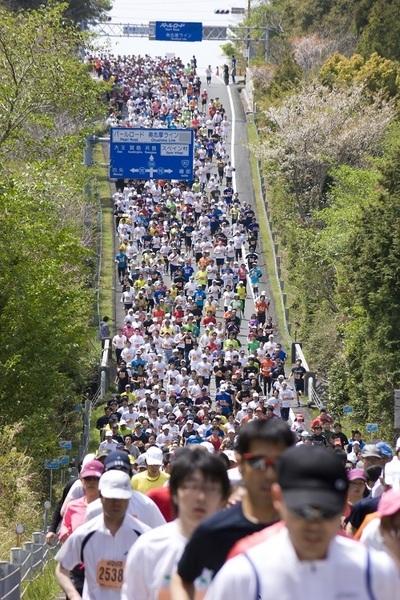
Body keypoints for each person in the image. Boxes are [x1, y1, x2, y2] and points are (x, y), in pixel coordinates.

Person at [206, 445, 400, 599]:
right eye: (303, 510)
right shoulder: (243, 574)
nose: (314, 523)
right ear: (278, 499)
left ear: (344, 506)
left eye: (326, 510)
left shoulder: (376, 571)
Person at [171, 420, 294, 598]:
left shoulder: (304, 529)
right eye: (258, 462)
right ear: (240, 462)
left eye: (279, 463)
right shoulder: (213, 531)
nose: (269, 473)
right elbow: (182, 579)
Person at [122, 448, 230, 598]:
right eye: (192, 487)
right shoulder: (148, 547)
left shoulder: (235, 551)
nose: (200, 497)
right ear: (174, 494)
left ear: (224, 498)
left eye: (210, 489)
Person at [55, 470, 150, 600]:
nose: (116, 503)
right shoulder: (85, 534)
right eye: (112, 498)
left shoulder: (144, 536)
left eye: (121, 498)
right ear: (101, 496)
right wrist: (73, 595)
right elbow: (62, 569)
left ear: (129, 498)